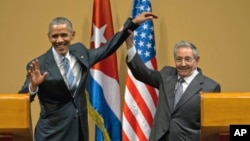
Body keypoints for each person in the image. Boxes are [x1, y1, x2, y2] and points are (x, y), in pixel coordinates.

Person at [18, 12, 158, 141]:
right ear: (49, 37)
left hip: (78, 131)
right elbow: (21, 100)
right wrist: (33, 86)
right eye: (55, 36)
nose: (59, 40)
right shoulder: (39, 65)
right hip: (52, 134)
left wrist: (133, 23)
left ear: (72, 34)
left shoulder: (80, 52)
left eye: (64, 35)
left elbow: (107, 48)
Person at [125, 33, 221, 141]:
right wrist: (129, 44)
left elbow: (211, 128)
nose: (183, 64)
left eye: (188, 59)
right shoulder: (167, 75)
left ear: (196, 61)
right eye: (179, 59)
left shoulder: (210, 87)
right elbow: (143, 73)